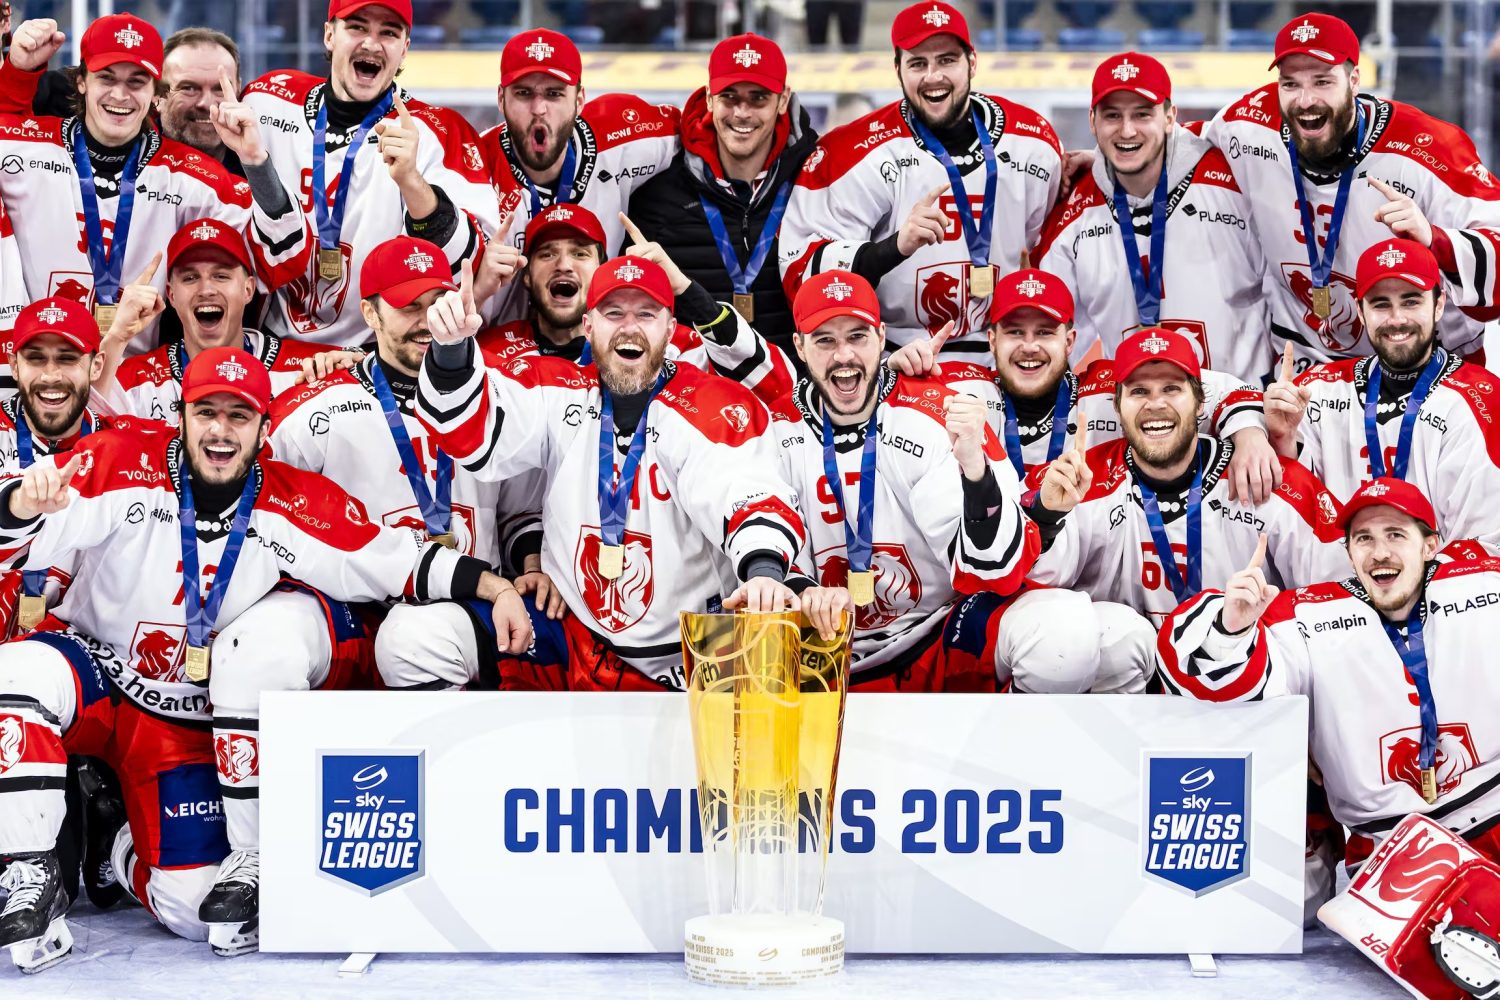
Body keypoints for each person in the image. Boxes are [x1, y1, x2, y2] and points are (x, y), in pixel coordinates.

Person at [0, 345, 522, 967]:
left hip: (188, 722)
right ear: (183, 416)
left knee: (195, 913)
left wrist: (497, 585)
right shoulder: (118, 461)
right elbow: (25, 529)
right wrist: (21, 505)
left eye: (239, 416)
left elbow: (396, 560)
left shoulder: (291, 499)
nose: (221, 431)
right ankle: (29, 872)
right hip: (104, 676)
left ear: (263, 428)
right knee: (18, 672)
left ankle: (122, 838)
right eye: (207, 413)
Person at [415, 255, 808, 691]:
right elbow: (471, 432)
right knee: (417, 640)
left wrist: (764, 573)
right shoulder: (556, 390)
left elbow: (747, 491)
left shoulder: (711, 402)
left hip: (691, 651)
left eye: (646, 313)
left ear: (669, 327)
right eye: (613, 313)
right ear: (589, 326)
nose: (629, 326)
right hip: (576, 635)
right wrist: (450, 349)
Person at [768, 270, 1146, 693]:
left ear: (880, 335)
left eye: (857, 337)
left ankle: (999, 752)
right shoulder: (773, 428)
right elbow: (758, 536)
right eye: (825, 340)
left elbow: (994, 570)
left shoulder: (941, 409)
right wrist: (799, 587)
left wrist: (976, 472)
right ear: (798, 346)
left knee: (1082, 635)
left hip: (933, 635)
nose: (843, 355)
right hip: (819, 647)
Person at [1159, 477, 1500, 871]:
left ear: (1429, 545)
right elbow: (1214, 685)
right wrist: (1231, 627)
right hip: (1391, 851)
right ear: (1348, 553)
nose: (1380, 553)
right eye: (1364, 539)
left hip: (1493, 816)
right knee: (1460, 930)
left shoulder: (1482, 584)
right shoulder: (1306, 615)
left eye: (1395, 535)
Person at [1202, 11, 1500, 364]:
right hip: (1308, 367)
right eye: (1290, 83)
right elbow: (1175, 146)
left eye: (1322, 82)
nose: (1305, 100)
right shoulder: (1247, 124)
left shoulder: (1430, 148)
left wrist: (1434, 240)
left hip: (1425, 365)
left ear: (1354, 80)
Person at [0, 14, 307, 352]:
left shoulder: (190, 177)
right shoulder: (25, 144)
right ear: (82, 82)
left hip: (129, 388)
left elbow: (281, 261)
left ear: (155, 93)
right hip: (32, 376)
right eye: (106, 78)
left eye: (136, 81)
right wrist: (17, 72)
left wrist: (255, 160)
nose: (121, 95)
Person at [778, 1, 1062, 361]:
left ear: (971, 62)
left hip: (1006, 358)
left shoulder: (1034, 143)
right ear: (897, 69)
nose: (933, 76)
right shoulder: (851, 152)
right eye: (917, 63)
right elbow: (802, 267)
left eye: (946, 60)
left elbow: (1053, 242)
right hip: (895, 359)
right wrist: (894, 247)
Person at [1025, 327, 1353, 628]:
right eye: (1139, 391)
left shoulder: (1265, 476)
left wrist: (1260, 623)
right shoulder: (1080, 480)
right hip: (1125, 677)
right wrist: (1047, 516)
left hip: (1246, 666)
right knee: (1114, 635)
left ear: (1200, 403)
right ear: (1117, 406)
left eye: (1172, 389)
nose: (1156, 404)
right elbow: (1035, 585)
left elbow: (1338, 590)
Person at [888, 267, 1283, 503]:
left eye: (1044, 332)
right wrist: (893, 370)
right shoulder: (957, 384)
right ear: (991, 341)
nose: (1029, 347)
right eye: (1014, 332)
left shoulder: (1117, 384)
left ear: (1070, 342)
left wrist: (1249, 434)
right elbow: (864, 406)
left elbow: (1224, 390)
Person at [241, 0, 498, 347]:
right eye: (357, 27)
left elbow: (470, 266)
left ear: (405, 49)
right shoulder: (266, 100)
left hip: (378, 358)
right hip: (269, 349)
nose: (372, 44)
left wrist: (413, 183)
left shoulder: (440, 132)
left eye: (388, 33)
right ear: (330, 34)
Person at [1034, 52, 1272, 384]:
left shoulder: (1234, 181)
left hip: (1242, 409)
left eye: (1142, 114)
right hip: (1140, 417)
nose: (1127, 130)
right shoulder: (1073, 208)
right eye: (1112, 115)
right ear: (1092, 121)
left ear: (1170, 116)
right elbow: (1053, 330)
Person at [1264, 238, 1500, 550]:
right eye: (1380, 304)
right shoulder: (1317, 389)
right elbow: (1295, 519)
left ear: (1439, 304)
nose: (1397, 318)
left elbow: (1485, 544)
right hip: (1338, 586)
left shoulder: (1481, 398)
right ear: (1360, 311)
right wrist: (1281, 441)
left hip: (1438, 589)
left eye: (1411, 301)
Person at [627, 34, 818, 362]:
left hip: (795, 390)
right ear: (709, 98)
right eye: (729, 97)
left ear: (783, 100)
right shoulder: (659, 192)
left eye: (758, 98)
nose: (742, 113)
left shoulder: (814, 177)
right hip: (693, 394)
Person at [480, 28, 680, 323]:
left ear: (580, 99)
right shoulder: (474, 166)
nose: (539, 109)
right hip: (505, 353)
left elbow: (703, 129)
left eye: (554, 94)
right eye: (523, 93)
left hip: (600, 345)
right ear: (501, 98)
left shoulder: (625, 138)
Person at [96, 218, 322, 424]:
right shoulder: (134, 380)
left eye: (221, 276)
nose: (206, 289)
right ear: (171, 295)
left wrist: (350, 362)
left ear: (248, 289)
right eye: (190, 277)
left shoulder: (307, 368)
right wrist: (116, 337)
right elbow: (80, 424)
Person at [2, 23, 246, 169]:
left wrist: (257, 163)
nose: (206, 103)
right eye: (188, 88)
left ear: (238, 89)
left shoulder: (265, 152)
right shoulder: (91, 115)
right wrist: (20, 70)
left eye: (220, 88)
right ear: (159, 95)